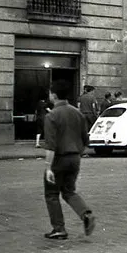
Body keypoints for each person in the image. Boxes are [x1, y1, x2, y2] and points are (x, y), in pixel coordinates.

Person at [41, 80, 96, 240]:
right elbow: (86, 139)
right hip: (75, 158)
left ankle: (59, 228)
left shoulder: (52, 115)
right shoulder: (77, 113)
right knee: (69, 191)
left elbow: (50, 144)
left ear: (54, 95)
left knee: (51, 194)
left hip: (58, 159)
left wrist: (48, 167)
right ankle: (85, 213)